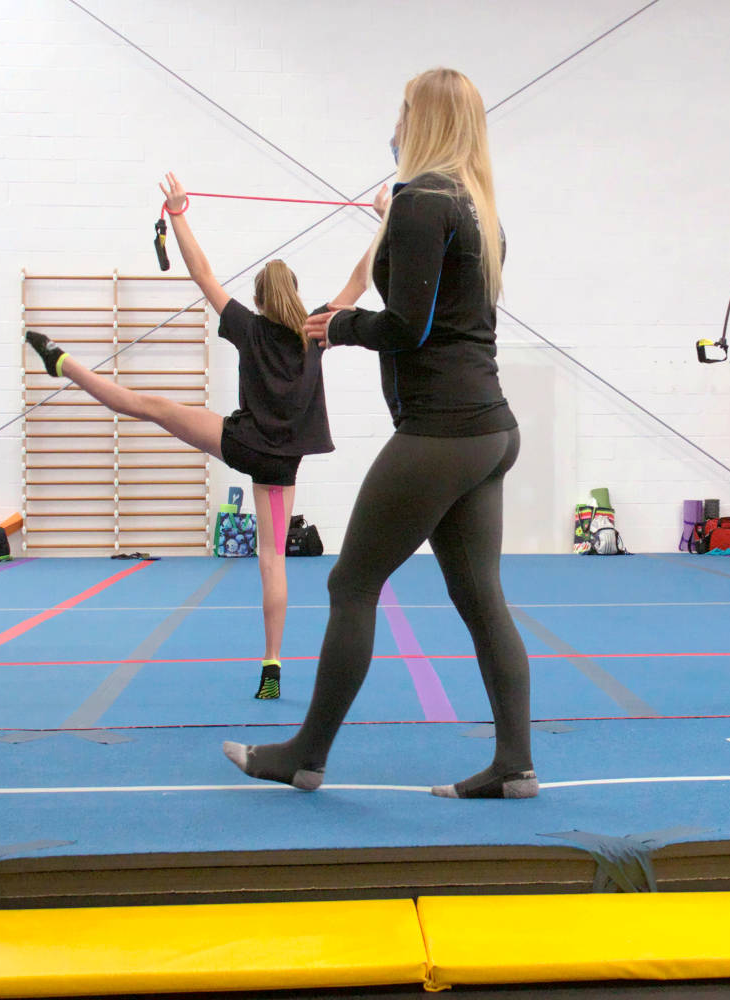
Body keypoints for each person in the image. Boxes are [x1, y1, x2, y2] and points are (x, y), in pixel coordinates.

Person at [223, 67, 535, 798]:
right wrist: (390, 224)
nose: (391, 126)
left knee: (350, 581)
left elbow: (407, 326)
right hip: (486, 428)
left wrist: (338, 326)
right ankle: (514, 764)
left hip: (444, 430)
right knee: (481, 598)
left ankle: (305, 753)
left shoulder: (425, 203)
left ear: (422, 119)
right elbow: (440, 306)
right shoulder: (469, 208)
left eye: (400, 112)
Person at [25, 171, 370, 701]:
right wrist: (387, 222)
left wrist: (180, 213)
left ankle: (65, 364)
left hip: (242, 443)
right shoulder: (317, 329)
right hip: (281, 465)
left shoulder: (249, 326)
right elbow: (359, 279)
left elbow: (202, 272)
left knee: (150, 406)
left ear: (258, 298)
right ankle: (272, 665)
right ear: (295, 294)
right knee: (272, 562)